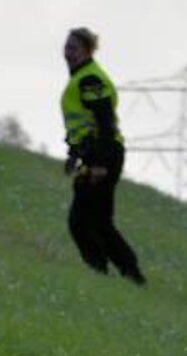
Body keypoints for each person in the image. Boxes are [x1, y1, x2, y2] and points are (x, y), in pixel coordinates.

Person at [60, 26, 146, 285]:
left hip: (104, 155)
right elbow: (83, 124)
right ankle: (131, 275)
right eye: (66, 47)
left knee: (81, 221)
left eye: (74, 48)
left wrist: (99, 164)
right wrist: (75, 155)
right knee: (100, 221)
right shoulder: (82, 77)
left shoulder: (90, 80)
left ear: (87, 51)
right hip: (100, 154)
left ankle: (99, 271)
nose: (68, 52)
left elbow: (105, 122)